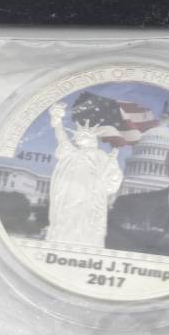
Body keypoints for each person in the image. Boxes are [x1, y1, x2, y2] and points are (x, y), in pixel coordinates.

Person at [45, 103, 123, 247]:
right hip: (69, 194)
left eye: (84, 135)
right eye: (78, 135)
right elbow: (62, 138)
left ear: (93, 138)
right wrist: (58, 121)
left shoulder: (101, 155)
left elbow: (112, 180)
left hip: (91, 196)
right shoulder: (72, 152)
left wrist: (111, 168)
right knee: (67, 219)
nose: (79, 138)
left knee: (87, 222)